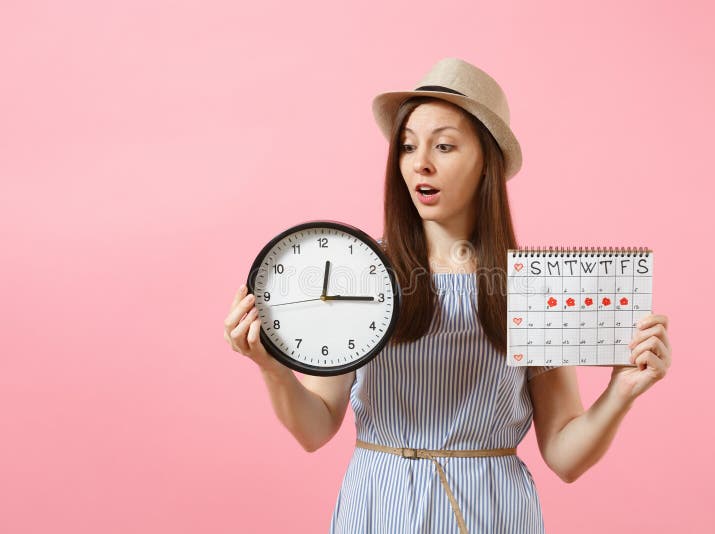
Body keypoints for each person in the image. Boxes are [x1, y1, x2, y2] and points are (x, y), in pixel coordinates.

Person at [223, 57, 672, 533]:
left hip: (492, 514)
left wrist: (621, 392)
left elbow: (564, 456)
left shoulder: (536, 287)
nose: (421, 163)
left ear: (486, 163)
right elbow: (315, 429)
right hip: (380, 509)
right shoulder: (361, 271)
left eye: (444, 145)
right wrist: (271, 366)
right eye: (408, 146)